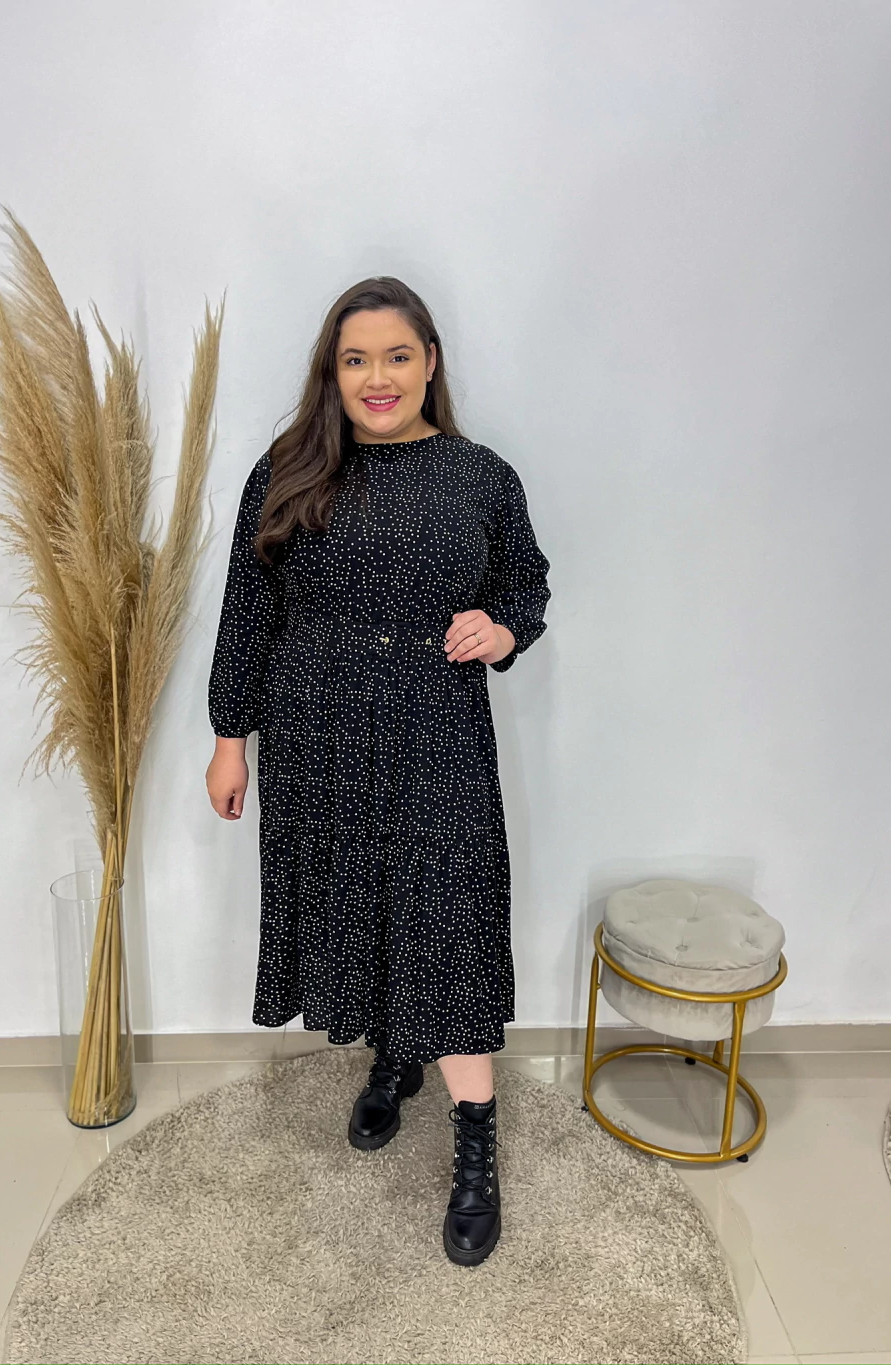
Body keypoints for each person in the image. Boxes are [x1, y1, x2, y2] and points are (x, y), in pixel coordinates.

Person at [205, 276, 552, 1267]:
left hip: (436, 731)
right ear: (333, 372)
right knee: (360, 905)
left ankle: (475, 1148)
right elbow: (247, 610)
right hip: (315, 736)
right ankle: (394, 1058)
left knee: (446, 919)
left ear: (430, 361)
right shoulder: (289, 468)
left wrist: (502, 630)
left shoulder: (481, 476)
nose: (377, 377)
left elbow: (524, 586)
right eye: (355, 359)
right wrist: (229, 737)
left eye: (397, 355)